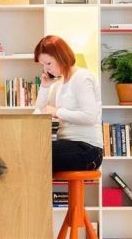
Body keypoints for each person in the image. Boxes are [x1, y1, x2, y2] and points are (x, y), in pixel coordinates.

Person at [34, 35, 103, 173]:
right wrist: (45, 86)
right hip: (68, 145)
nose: (46, 69)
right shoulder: (60, 84)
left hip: (88, 149)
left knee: (34, 155)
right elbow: (40, 111)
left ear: (61, 57)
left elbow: (90, 116)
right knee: (31, 152)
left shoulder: (82, 77)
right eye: (43, 65)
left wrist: (57, 112)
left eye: (49, 63)